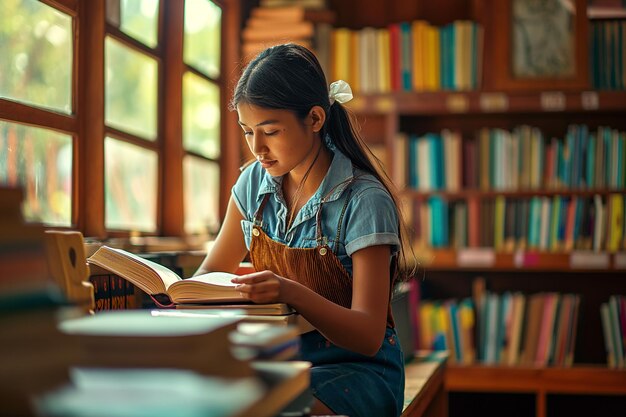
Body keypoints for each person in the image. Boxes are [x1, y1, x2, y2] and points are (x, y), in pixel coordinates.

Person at [195, 43, 413, 417]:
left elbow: (367, 335)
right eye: (247, 132)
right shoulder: (251, 185)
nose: (257, 149)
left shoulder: (364, 200)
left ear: (314, 119)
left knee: (273, 408)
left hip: (357, 370)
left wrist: (288, 291)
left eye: (271, 131)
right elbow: (209, 276)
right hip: (280, 359)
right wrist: (181, 295)